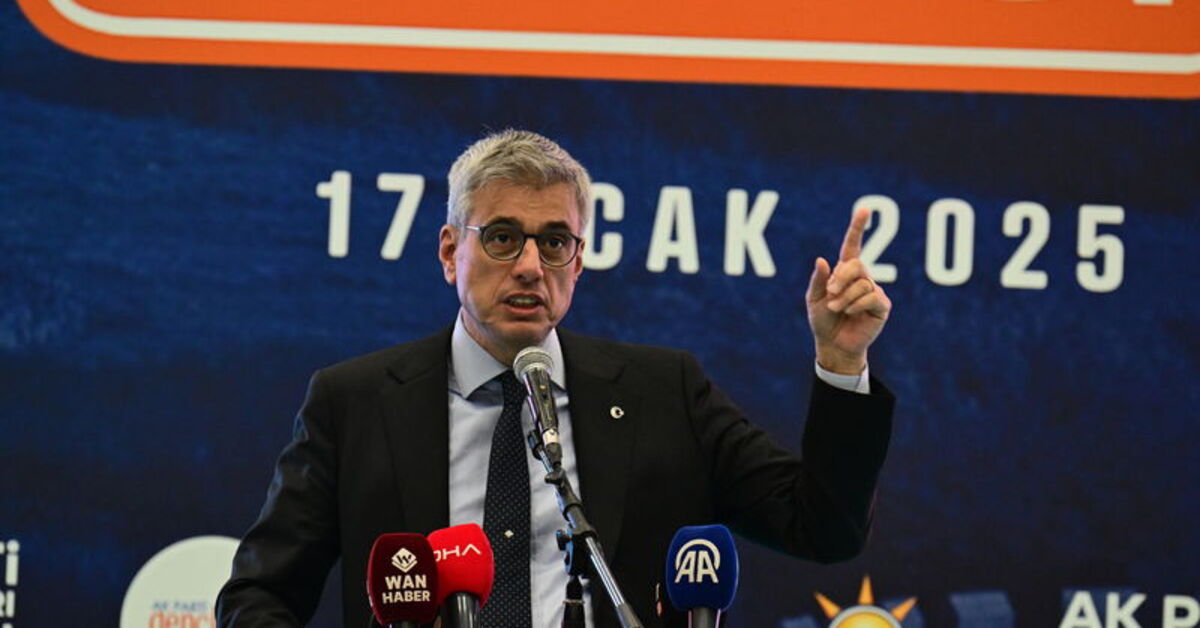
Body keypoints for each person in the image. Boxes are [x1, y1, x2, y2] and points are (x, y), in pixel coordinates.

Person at [216, 130, 894, 628]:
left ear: (580, 259)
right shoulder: (354, 403)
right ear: (451, 252)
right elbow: (259, 596)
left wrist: (841, 363)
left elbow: (823, 528)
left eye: (554, 241)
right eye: (502, 237)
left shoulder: (664, 392)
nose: (529, 265)